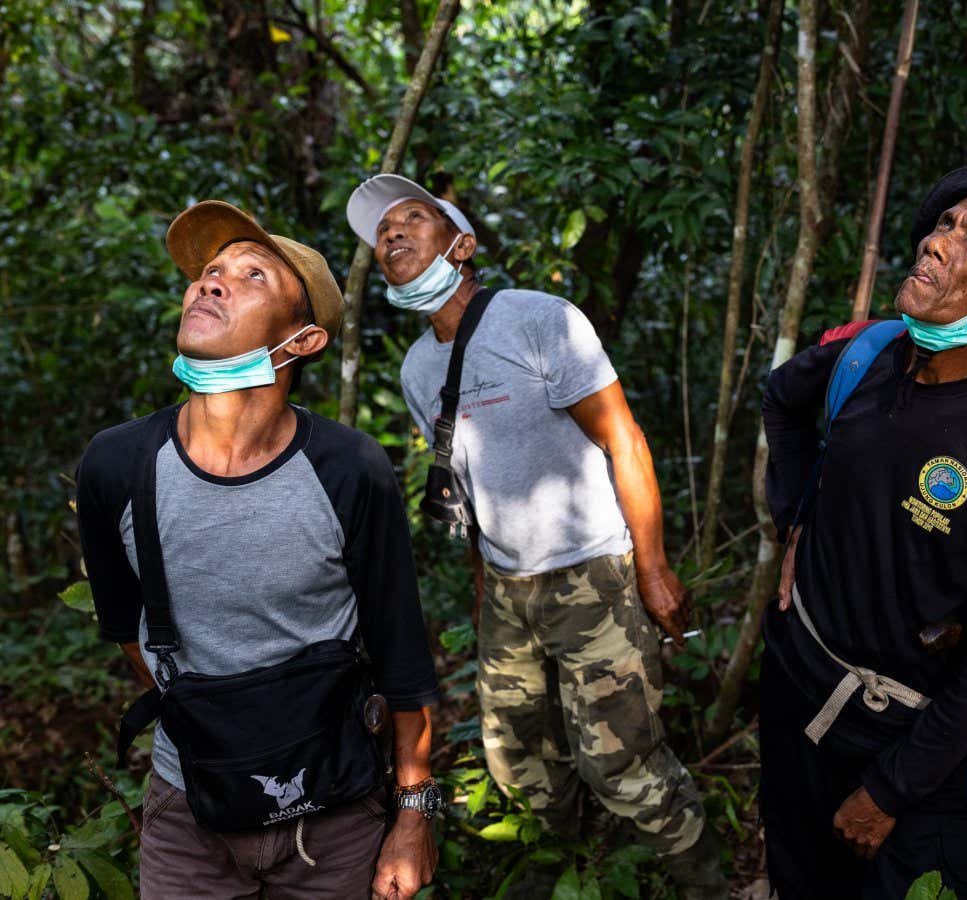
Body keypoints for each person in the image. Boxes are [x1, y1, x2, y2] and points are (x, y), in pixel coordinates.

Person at [345, 175, 727, 898]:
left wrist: (652, 569)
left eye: (412, 217)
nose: (391, 233)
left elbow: (624, 439)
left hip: (593, 573)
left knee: (622, 763)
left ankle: (707, 884)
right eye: (382, 231)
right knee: (517, 758)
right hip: (507, 589)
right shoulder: (417, 368)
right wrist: (486, 587)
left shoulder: (538, 319)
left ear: (462, 245)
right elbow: (463, 484)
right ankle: (564, 867)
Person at [76, 201, 441, 899]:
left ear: (303, 341)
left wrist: (412, 817)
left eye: (252, 276)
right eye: (209, 271)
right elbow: (128, 634)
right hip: (189, 815)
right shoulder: (117, 465)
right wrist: (225, 735)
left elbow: (402, 657)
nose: (210, 282)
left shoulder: (349, 468)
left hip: (337, 815)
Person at [759, 165, 967, 899]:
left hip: (907, 740)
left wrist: (893, 789)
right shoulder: (860, 352)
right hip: (796, 695)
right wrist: (797, 518)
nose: (939, 243)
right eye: (943, 224)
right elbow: (782, 399)